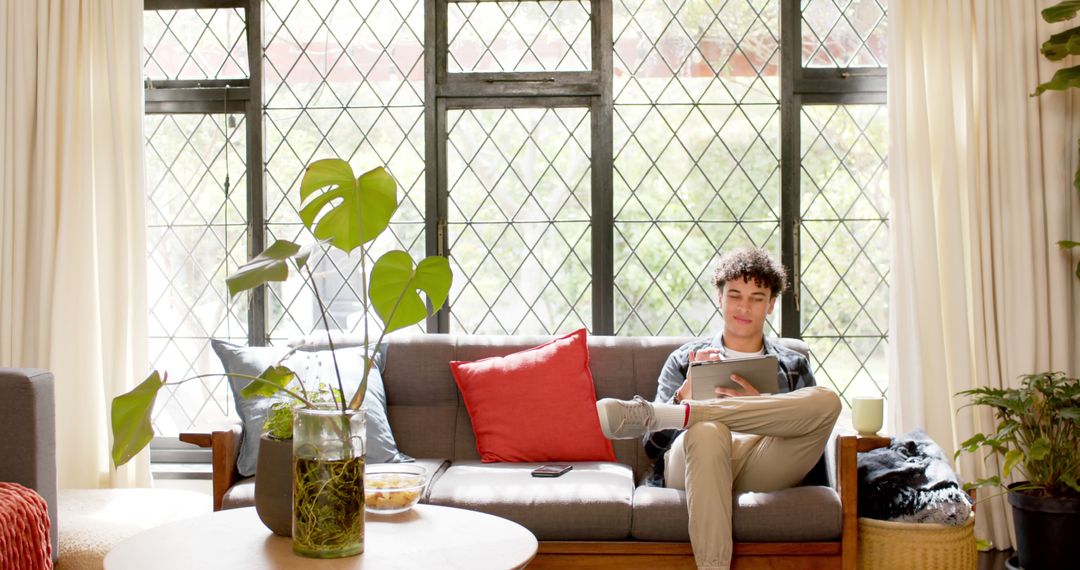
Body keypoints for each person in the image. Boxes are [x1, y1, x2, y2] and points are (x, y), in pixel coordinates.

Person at [595, 248, 841, 570]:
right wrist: (685, 394)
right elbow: (652, 448)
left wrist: (762, 410)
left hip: (763, 462)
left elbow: (810, 444)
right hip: (696, 461)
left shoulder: (793, 365)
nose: (744, 306)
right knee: (709, 432)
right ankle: (683, 414)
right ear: (720, 297)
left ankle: (675, 413)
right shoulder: (685, 360)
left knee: (828, 401)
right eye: (735, 295)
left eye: (756, 298)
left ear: (771, 305)